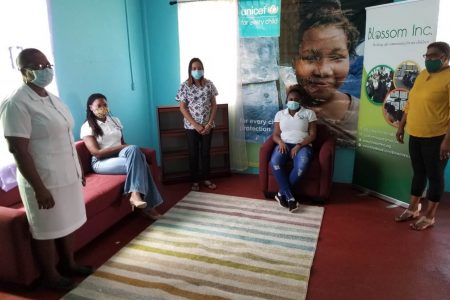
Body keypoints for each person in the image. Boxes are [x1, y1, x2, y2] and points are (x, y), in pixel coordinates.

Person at [0, 48, 92, 291]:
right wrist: (39, 188)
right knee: (47, 228)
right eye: (38, 67)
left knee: (67, 221)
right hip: (43, 179)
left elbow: (66, 137)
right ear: (24, 72)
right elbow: (19, 149)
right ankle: (50, 276)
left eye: (47, 64)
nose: (46, 70)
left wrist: (78, 170)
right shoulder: (16, 103)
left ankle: (68, 264)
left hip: (66, 174)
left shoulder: (52, 98)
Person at [80, 93, 163, 220]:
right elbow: (96, 152)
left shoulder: (115, 120)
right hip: (101, 161)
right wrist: (122, 148)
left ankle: (135, 194)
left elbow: (123, 143)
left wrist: (130, 149)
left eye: (105, 105)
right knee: (141, 163)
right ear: (91, 107)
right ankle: (147, 206)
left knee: (134, 149)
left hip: (120, 155)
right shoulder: (87, 127)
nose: (102, 108)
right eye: (99, 106)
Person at [395, 41, 450, 230]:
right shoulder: (423, 75)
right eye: (426, 56)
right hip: (415, 134)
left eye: (432, 56)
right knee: (418, 173)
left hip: (437, 137)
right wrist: (401, 126)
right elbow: (410, 103)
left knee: (435, 176)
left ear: (444, 57)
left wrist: (447, 142)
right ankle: (412, 209)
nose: (427, 59)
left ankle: (430, 216)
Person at [293, 6, 359, 147]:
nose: (323, 71)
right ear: (295, 61)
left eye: (336, 57)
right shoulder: (287, 106)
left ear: (350, 59)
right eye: (310, 57)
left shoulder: (365, 114)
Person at [270, 84, 317, 212]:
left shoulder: (309, 113)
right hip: (284, 144)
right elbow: (275, 134)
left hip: (303, 146)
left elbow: (313, 135)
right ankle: (290, 198)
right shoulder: (280, 114)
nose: (293, 101)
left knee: (302, 165)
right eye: (291, 99)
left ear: (300, 101)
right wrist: (280, 142)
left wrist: (299, 145)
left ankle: (281, 194)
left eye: (296, 99)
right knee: (275, 162)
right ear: (287, 100)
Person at [176, 58, 218, 191]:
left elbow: (214, 105)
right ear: (190, 70)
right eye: (194, 68)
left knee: (205, 153)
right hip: (191, 127)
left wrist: (209, 123)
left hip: (207, 126)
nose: (197, 70)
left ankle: (206, 178)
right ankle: (194, 180)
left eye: (199, 68)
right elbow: (182, 108)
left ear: (203, 69)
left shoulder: (209, 84)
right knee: (193, 153)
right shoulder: (185, 86)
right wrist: (195, 125)